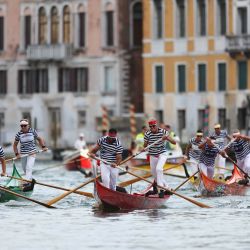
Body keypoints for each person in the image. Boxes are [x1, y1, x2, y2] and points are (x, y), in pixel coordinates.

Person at [144, 118, 176, 197]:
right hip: (152, 155)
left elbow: (174, 142)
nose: (152, 128)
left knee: (159, 169)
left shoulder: (163, 132)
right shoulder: (147, 134)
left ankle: (161, 189)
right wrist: (145, 147)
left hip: (162, 154)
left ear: (156, 125)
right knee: (155, 175)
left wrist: (167, 138)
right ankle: (167, 187)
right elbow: (145, 145)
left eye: (153, 126)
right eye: (150, 127)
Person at [13, 119, 47, 189]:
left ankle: (27, 183)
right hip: (23, 154)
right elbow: (15, 145)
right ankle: (31, 180)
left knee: (29, 168)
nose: (23, 127)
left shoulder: (33, 131)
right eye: (21, 126)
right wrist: (17, 154)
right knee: (25, 169)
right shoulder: (18, 134)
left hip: (32, 153)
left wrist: (43, 147)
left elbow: (39, 139)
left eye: (24, 126)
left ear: (28, 126)